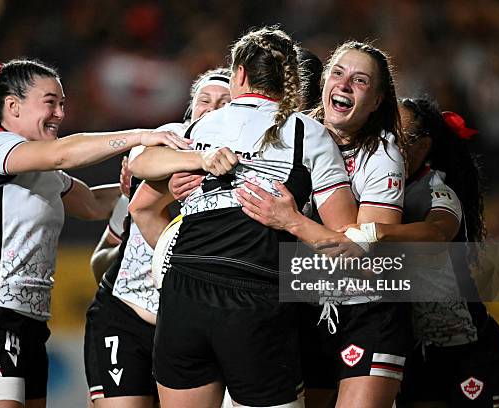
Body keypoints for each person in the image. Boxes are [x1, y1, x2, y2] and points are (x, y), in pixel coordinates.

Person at [0, 58, 190, 408]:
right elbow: (63, 154)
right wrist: (141, 137)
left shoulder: (42, 170)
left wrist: (158, 178)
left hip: (28, 328)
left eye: (62, 104)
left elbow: (93, 205)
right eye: (50, 102)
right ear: (12, 106)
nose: (59, 113)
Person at [129, 27, 357, 408]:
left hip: (183, 293)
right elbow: (349, 244)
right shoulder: (307, 133)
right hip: (254, 296)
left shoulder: (204, 125)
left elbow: (142, 165)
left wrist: (197, 159)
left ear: (238, 74)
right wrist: (291, 221)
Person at [235, 41, 411, 408]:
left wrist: (293, 221)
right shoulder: (294, 133)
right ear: (324, 82)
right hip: (304, 305)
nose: (344, 85)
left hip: (368, 308)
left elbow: (367, 255)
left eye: (360, 80)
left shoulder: (382, 153)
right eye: (338, 73)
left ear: (377, 100)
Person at [84, 68, 231, 408]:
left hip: (192, 326)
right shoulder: (172, 137)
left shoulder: (241, 165)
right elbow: (139, 162)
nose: (211, 109)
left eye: (225, 103)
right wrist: (187, 171)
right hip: (126, 315)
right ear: (190, 109)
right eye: (203, 101)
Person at [389, 97, 499, 407]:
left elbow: (436, 233)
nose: (387, 143)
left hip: (467, 347)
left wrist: (373, 233)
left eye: (397, 136)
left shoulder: (437, 191)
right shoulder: (378, 188)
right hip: (418, 347)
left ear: (422, 147)